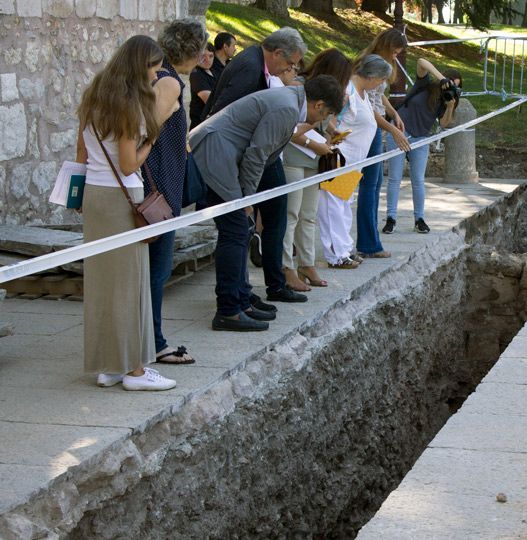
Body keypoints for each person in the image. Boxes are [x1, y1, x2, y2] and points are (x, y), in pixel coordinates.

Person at [189, 76, 344, 331]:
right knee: (236, 230)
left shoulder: (290, 103)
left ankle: (241, 300)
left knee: (241, 230)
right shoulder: (287, 108)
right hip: (214, 154)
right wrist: (248, 199)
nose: (322, 120)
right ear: (319, 105)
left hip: (223, 153)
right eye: (326, 114)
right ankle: (228, 310)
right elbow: (257, 154)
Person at [76, 35, 175, 391]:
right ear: (140, 66)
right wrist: (154, 133)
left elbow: (82, 154)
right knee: (131, 285)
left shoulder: (93, 97)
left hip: (95, 196)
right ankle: (134, 370)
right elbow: (130, 162)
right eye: (153, 67)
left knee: (104, 284)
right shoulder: (129, 106)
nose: (156, 74)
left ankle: (109, 366)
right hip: (122, 200)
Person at [203, 27, 309, 304]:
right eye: (289, 63)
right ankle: (237, 298)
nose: (290, 70)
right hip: (238, 156)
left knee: (271, 216)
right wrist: (244, 189)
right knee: (240, 226)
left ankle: (253, 290)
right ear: (276, 53)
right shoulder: (250, 68)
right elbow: (224, 117)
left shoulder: (254, 62)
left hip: (254, 154)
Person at [141, 19, 207, 367]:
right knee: (157, 269)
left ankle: (148, 339)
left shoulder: (163, 77)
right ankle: (153, 342)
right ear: (194, 51)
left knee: (156, 269)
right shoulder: (167, 82)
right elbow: (146, 135)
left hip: (162, 185)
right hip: (160, 189)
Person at [282, 49, 352, 291]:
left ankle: (307, 262)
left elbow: (319, 120)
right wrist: (317, 144)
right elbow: (289, 129)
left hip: (314, 158)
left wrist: (331, 133)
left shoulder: (326, 94)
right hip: (293, 156)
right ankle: (287, 267)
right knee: (291, 214)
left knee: (308, 214)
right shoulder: (300, 86)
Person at [317, 55, 393, 270]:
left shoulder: (364, 94)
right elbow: (330, 121)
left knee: (343, 205)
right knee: (332, 207)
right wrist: (330, 145)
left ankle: (345, 249)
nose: (381, 84)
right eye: (381, 80)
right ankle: (336, 255)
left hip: (353, 163)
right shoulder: (347, 91)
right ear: (372, 76)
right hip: (340, 160)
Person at [384, 59, 461, 235]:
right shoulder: (425, 85)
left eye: (455, 88)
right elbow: (421, 62)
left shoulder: (446, 101)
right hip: (399, 132)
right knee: (394, 178)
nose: (451, 90)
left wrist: (450, 106)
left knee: (418, 180)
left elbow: (444, 123)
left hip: (420, 139)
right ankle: (391, 218)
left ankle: (419, 219)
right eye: (450, 86)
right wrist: (442, 79)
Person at [355, 29, 411, 259]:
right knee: (370, 183)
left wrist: (392, 112)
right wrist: (392, 129)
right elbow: (368, 106)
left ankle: (370, 241)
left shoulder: (379, 66)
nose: (397, 56)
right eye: (396, 51)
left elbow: (379, 96)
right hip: (369, 127)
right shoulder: (369, 65)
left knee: (376, 182)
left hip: (376, 125)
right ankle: (368, 243)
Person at [189, 42, 216, 130]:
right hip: (199, 126)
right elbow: (210, 101)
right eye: (203, 56)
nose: (207, 59)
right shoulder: (196, 74)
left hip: (210, 124)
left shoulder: (212, 71)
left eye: (211, 56)